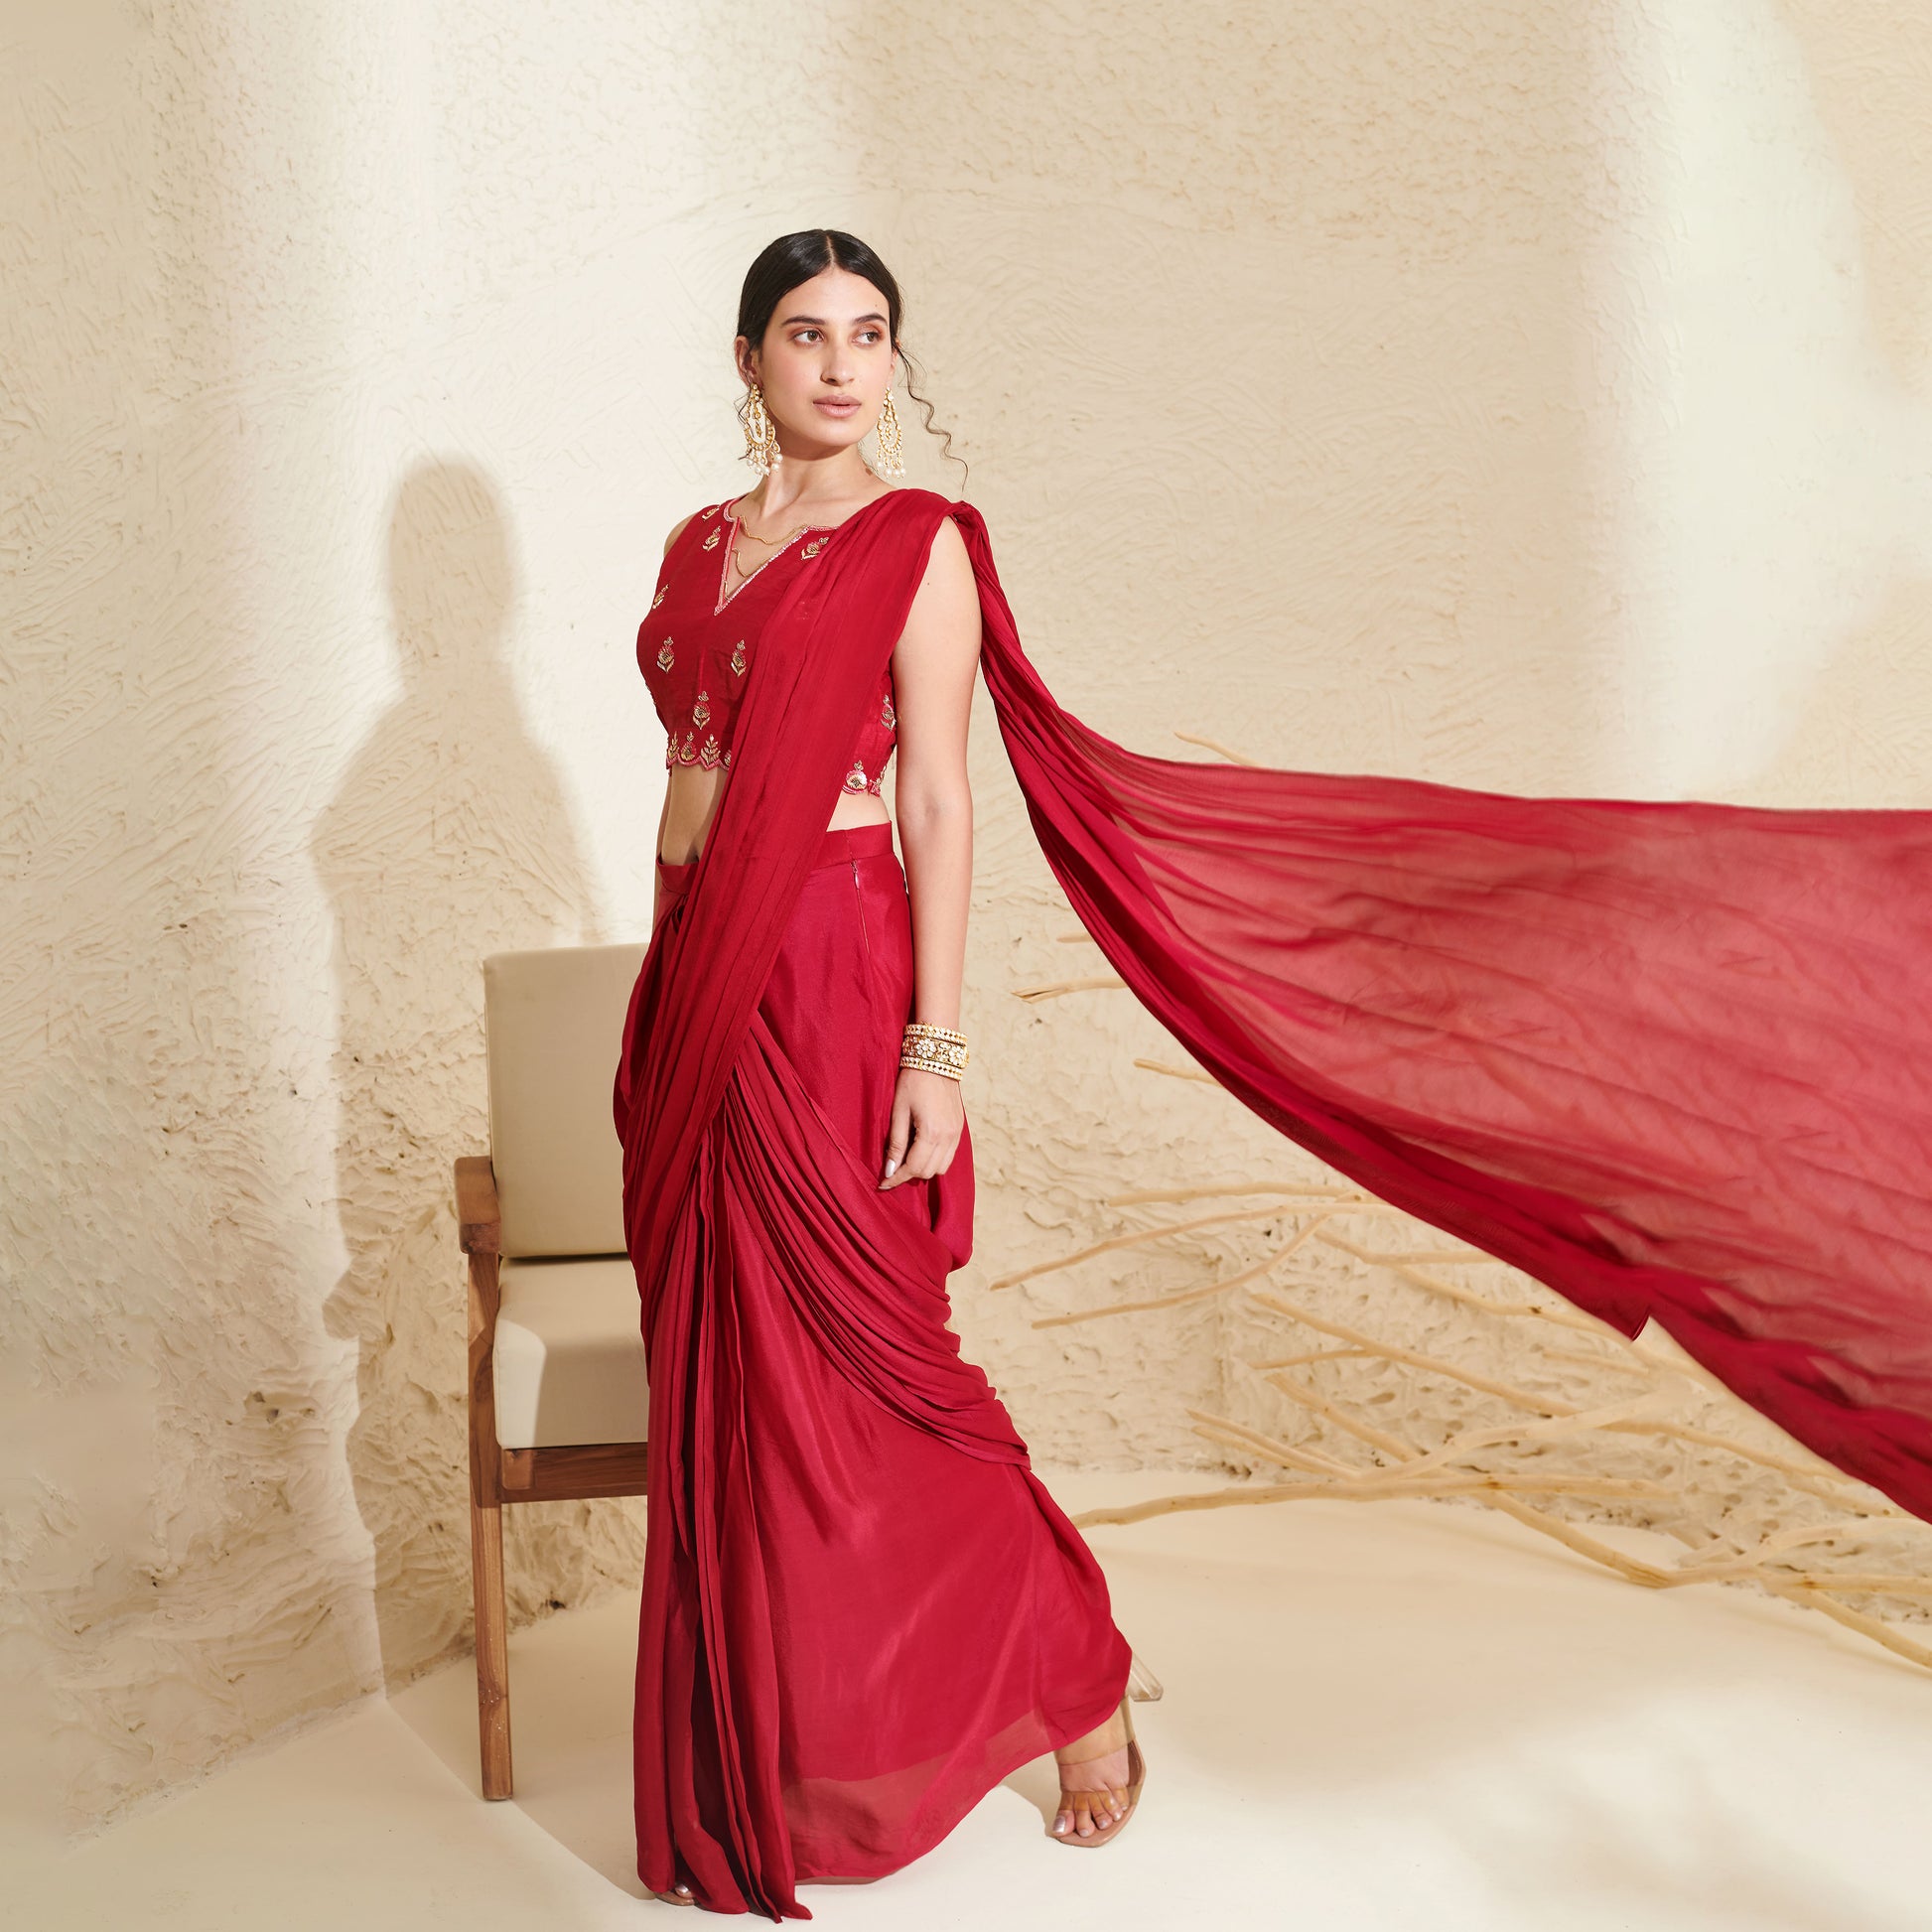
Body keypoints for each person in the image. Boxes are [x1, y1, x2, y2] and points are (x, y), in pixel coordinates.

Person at [617, 229, 1932, 1919]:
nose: (842, 365)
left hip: (828, 966)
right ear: (749, 358)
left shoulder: (914, 541)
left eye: (869, 334)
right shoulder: (695, 543)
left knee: (881, 1369)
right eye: (807, 335)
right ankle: (784, 1739)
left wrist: (935, 1044)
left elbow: (939, 797)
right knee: (739, 1370)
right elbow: (683, 768)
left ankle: (1071, 1678)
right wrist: (667, 977)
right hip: (693, 967)